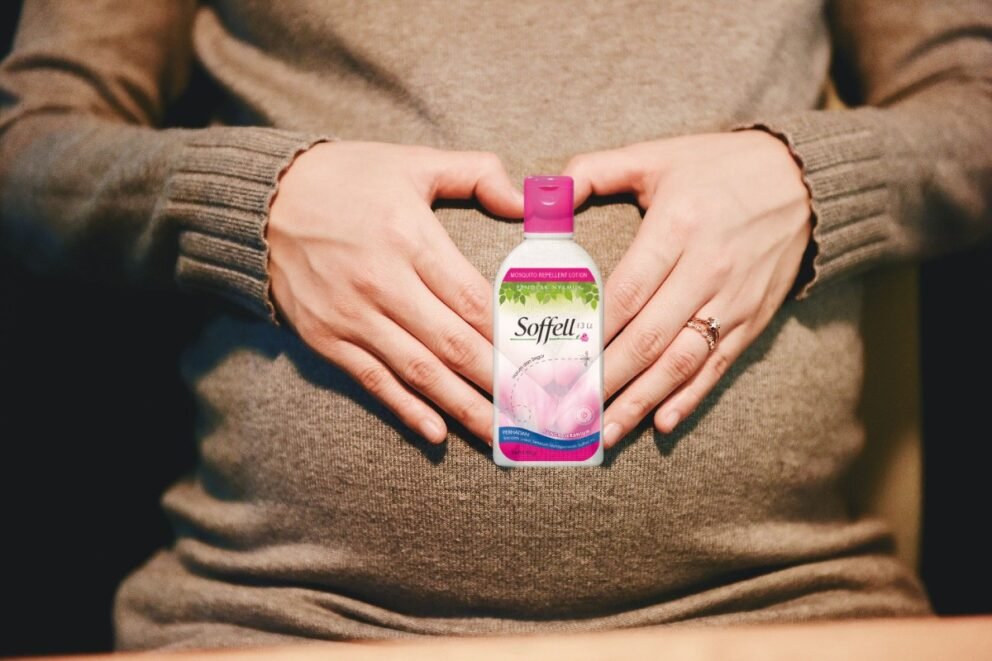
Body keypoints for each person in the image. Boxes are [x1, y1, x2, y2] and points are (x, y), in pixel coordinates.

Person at [1, 0, 988, 651]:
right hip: (280, 619)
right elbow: (27, 147)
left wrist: (811, 182)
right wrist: (249, 201)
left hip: (780, 611)